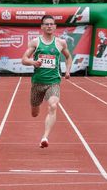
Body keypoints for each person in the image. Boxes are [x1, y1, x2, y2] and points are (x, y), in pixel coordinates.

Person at [21, 15, 72, 148]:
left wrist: (67, 70)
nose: (49, 26)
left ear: (55, 27)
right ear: (42, 27)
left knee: (53, 106)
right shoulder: (35, 42)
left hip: (53, 82)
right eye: (46, 24)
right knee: (34, 113)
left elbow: (68, 57)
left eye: (51, 24)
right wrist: (33, 62)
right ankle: (35, 108)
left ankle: (45, 137)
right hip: (37, 82)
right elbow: (24, 59)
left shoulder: (61, 43)